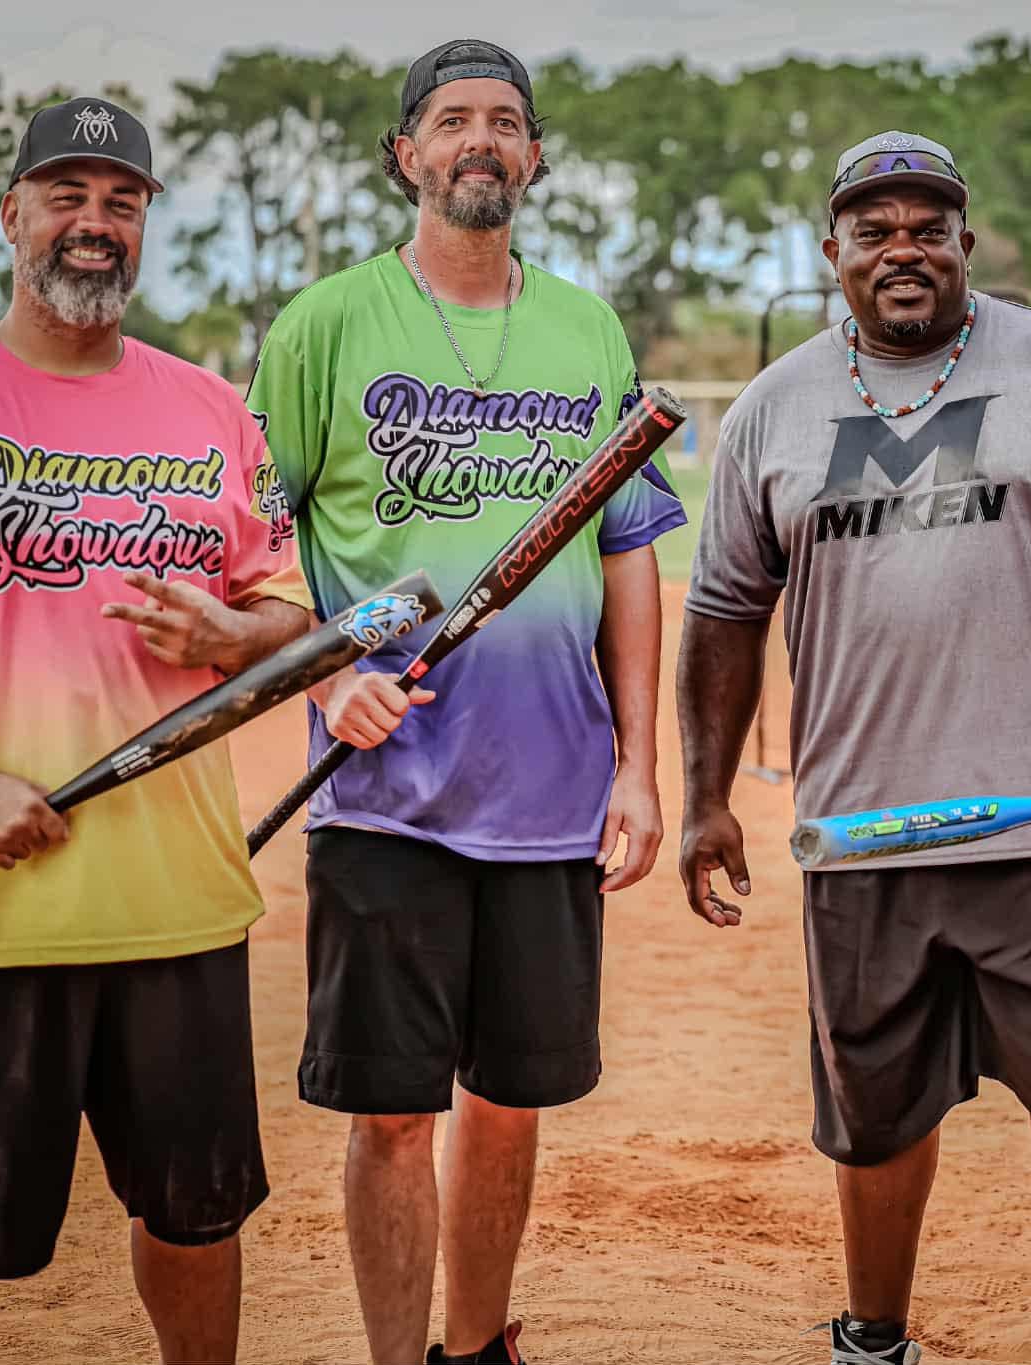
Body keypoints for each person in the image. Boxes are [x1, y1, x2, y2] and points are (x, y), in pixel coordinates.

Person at [677, 130, 1031, 1365]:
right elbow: (722, 612)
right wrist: (705, 795)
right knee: (872, 1121)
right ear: (833, 253)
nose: (903, 248)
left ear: (966, 242)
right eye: (875, 230)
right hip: (864, 831)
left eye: (929, 226)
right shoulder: (773, 406)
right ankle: (871, 1341)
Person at [0, 98, 313, 1365]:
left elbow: (291, 612)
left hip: (179, 902)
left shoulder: (217, 412)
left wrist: (229, 634)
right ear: (11, 215)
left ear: (146, 222)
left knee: (198, 1212)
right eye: (66, 195)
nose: (93, 223)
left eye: (122, 200)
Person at [246, 38, 684, 1365]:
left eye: (505, 120)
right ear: (406, 156)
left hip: (552, 793)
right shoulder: (323, 325)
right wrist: (333, 673)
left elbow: (627, 556)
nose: (479, 139)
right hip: (385, 795)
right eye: (451, 120)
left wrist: (638, 766)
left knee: (509, 1100)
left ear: (535, 157)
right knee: (389, 1113)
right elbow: (260, 552)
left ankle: (475, 1346)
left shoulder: (585, 327)